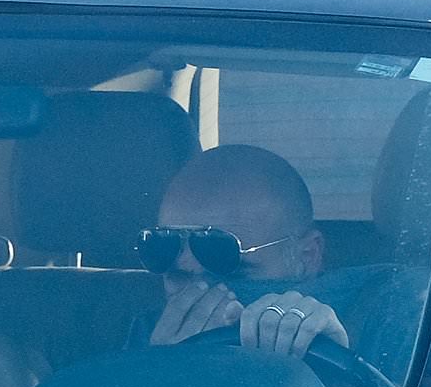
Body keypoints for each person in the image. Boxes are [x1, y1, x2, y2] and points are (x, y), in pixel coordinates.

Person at [131, 144, 351, 358]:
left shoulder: (368, 319)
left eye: (228, 268)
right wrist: (159, 367)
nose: (200, 296)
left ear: (307, 256)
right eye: (176, 274)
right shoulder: (138, 338)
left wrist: (331, 364)